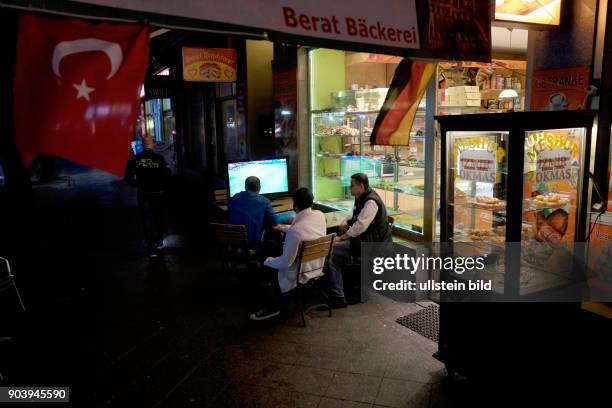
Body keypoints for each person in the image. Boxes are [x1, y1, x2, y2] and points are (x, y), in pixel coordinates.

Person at [250, 187, 327, 321]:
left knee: (266, 264)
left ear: (294, 205)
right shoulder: (319, 215)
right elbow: (305, 228)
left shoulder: (296, 232)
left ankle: (273, 306)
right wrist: (284, 228)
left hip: (299, 272)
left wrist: (267, 261)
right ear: (312, 202)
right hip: (316, 265)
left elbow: (286, 262)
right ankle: (257, 255)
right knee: (270, 245)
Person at [328, 173, 392, 307]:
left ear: (361, 186)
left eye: (352, 185)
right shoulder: (363, 197)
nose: (349, 187)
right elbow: (358, 214)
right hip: (366, 240)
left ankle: (338, 296)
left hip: (371, 244)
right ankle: (344, 287)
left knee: (330, 252)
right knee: (335, 253)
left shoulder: (371, 201)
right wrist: (346, 219)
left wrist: (341, 238)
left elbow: (360, 226)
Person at [124, 136, 171, 258]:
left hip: (144, 194)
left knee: (147, 220)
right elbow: (167, 176)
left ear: (143, 145)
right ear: (152, 145)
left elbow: (127, 178)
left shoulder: (135, 159)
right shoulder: (159, 158)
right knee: (159, 217)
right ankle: (159, 241)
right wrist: (162, 187)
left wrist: (138, 185)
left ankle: (151, 249)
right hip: (158, 194)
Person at [229, 176, 278, 251]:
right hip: (253, 242)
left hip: (234, 240)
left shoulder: (235, 197)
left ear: (245, 187)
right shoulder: (265, 201)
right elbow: (274, 222)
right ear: (259, 188)